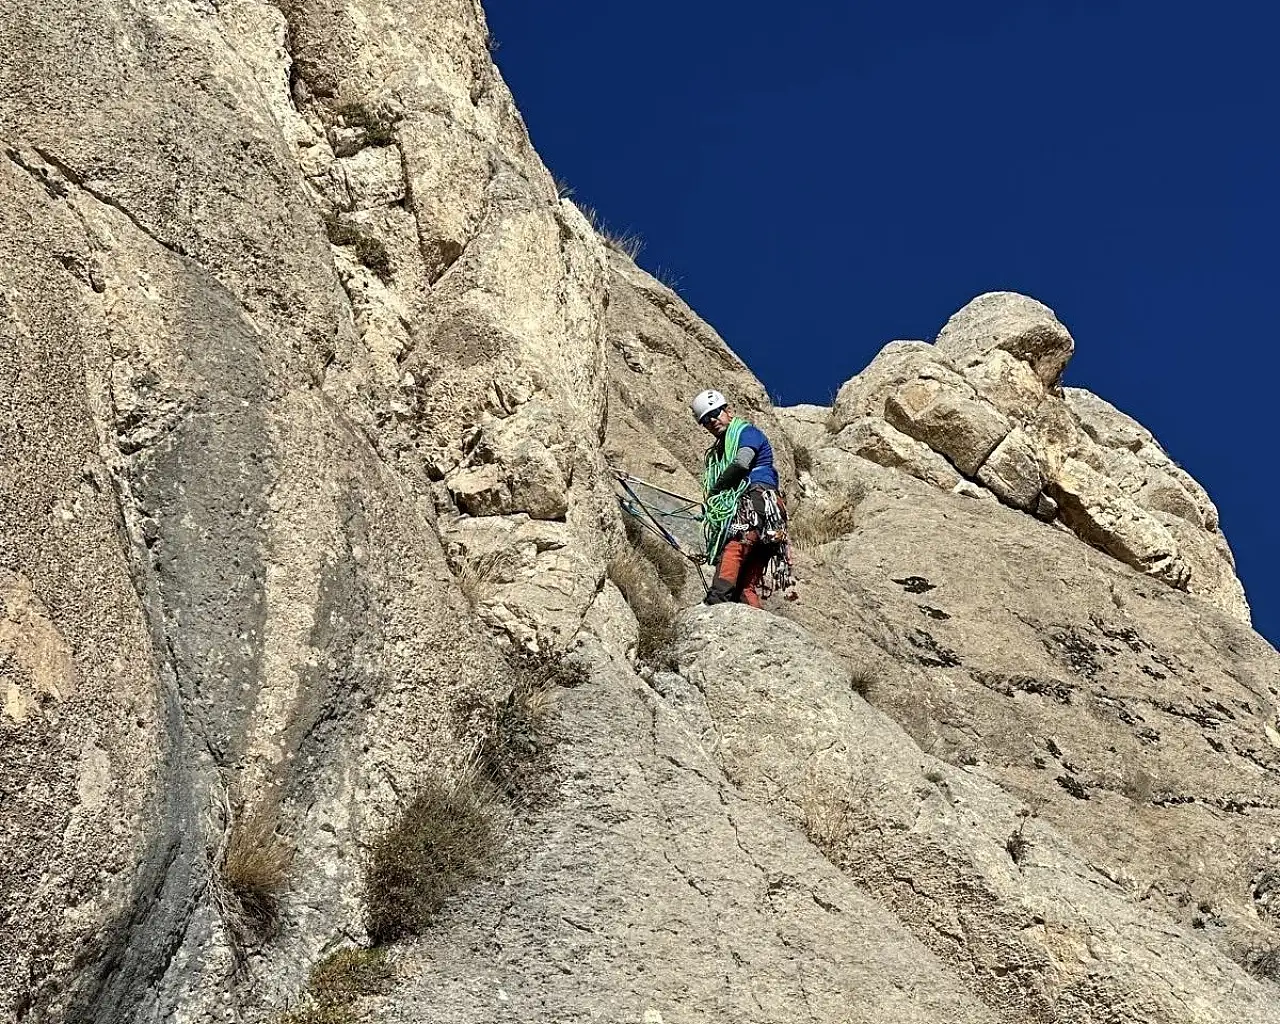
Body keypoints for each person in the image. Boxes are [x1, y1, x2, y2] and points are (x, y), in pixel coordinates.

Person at [691, 389, 794, 607]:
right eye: (706, 421)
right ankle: (754, 621)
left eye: (715, 413)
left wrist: (716, 490)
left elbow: (741, 462)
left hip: (756, 500)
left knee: (735, 545)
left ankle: (716, 600)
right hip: (769, 514)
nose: (712, 421)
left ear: (727, 410)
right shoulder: (721, 447)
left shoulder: (747, 432)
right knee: (746, 585)